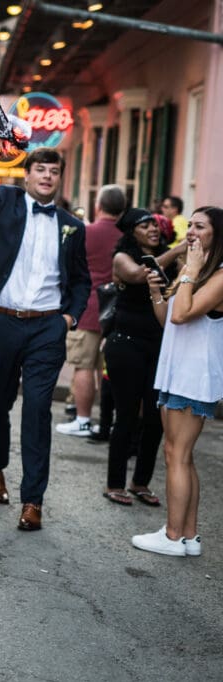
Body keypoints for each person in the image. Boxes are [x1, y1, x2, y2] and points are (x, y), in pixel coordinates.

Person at [0, 145, 90, 532]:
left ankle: (33, 499)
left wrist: (69, 317)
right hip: (1, 322)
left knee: (38, 408)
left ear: (60, 178)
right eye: (40, 170)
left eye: (54, 171)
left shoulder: (72, 226)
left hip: (48, 326)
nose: (47, 176)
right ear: (27, 174)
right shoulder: (1, 203)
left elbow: (80, 280)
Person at [133, 206, 223, 557]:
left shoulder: (216, 274)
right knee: (180, 455)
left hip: (193, 376)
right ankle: (188, 536)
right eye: (190, 226)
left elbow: (184, 314)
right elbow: (168, 319)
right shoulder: (195, 270)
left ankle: (172, 536)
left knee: (177, 453)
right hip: (176, 371)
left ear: (218, 235)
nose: (191, 233)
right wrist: (157, 292)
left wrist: (191, 270)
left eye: (200, 227)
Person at [102, 208, 183, 505]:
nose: (152, 228)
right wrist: (178, 250)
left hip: (160, 345)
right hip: (125, 344)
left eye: (154, 223)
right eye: (144, 224)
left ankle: (140, 482)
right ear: (131, 231)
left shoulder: (170, 257)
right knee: (125, 415)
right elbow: (139, 274)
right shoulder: (122, 258)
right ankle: (115, 483)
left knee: (154, 417)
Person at [57, 185, 126, 438]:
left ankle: (83, 419)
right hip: (118, 309)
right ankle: (109, 421)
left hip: (88, 308)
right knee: (107, 369)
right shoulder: (126, 235)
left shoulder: (86, 232)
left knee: (84, 366)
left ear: (99, 205)